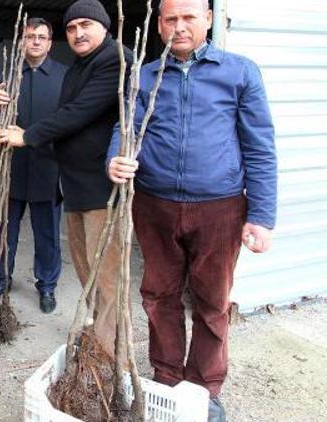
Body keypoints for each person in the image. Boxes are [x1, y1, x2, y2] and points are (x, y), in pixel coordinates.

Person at [107, 0, 277, 420]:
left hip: (219, 208)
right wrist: (116, 156)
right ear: (160, 25)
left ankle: (203, 389)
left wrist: (261, 215)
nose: (179, 27)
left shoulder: (238, 72)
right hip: (154, 204)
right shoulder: (145, 75)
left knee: (212, 300)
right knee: (158, 295)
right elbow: (123, 126)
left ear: (207, 19)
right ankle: (166, 379)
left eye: (188, 18)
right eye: (170, 19)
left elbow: (259, 147)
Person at [0, 0, 131, 359]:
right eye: (72, 28)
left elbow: (77, 113)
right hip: (74, 185)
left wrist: (27, 136)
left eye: (85, 25)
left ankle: (105, 355)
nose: (78, 33)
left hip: (100, 187)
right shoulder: (78, 67)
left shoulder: (115, 60)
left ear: (105, 27)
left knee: (106, 273)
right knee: (88, 267)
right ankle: (96, 338)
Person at [0, 17, 66, 314]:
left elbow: (68, 120)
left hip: (47, 165)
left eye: (42, 37)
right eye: (31, 36)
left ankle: (47, 286)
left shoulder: (63, 76)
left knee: (47, 233)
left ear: (50, 42)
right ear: (22, 41)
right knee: (5, 229)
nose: (36, 41)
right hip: (10, 167)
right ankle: (2, 279)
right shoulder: (6, 72)